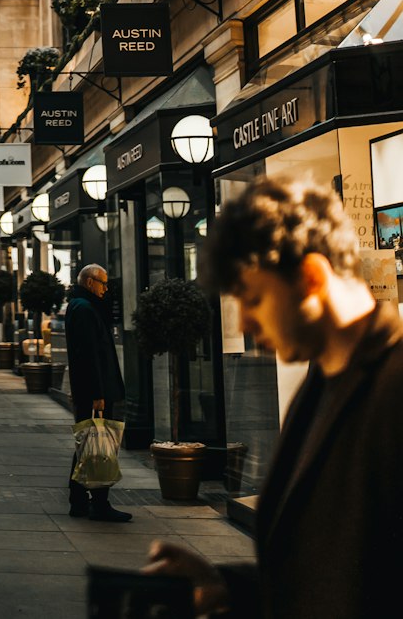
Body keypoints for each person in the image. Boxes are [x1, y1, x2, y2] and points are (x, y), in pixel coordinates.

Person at [144, 176, 403, 618]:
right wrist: (224, 585)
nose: (245, 319)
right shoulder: (320, 383)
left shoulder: (392, 388)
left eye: (254, 297)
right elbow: (323, 570)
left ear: (311, 277)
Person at [65, 263, 130, 523]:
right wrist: (97, 393)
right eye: (103, 283)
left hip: (91, 389)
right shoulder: (84, 309)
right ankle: (99, 502)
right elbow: (89, 355)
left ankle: (79, 500)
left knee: (87, 443)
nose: (106, 288)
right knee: (97, 445)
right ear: (90, 282)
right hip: (94, 390)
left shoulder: (82, 306)